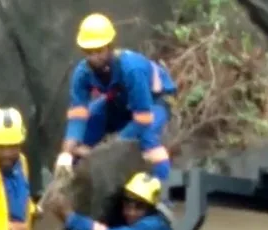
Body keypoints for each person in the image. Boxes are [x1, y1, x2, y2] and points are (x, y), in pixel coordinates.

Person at [54, 13, 177, 183]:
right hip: (120, 101)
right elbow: (77, 114)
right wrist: (67, 151)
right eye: (89, 52)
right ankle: (75, 185)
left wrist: (110, 149)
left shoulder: (131, 69)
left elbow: (142, 118)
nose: (94, 57)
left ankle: (161, 193)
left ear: (110, 47)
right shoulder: (82, 73)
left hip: (155, 101)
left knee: (147, 141)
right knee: (92, 118)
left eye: (99, 51)